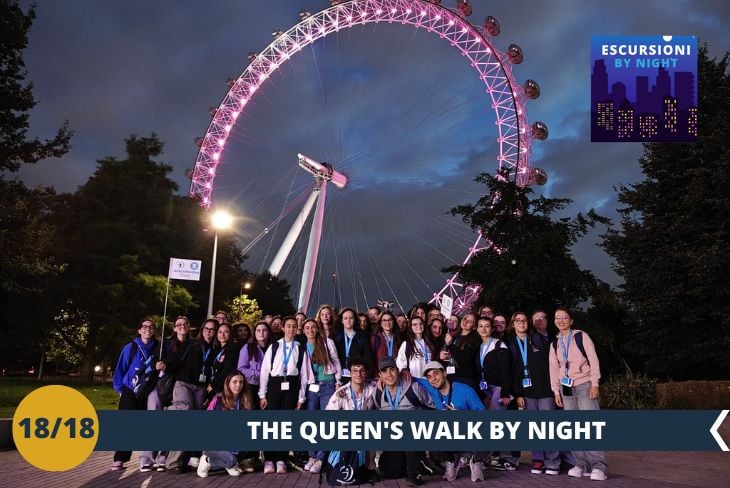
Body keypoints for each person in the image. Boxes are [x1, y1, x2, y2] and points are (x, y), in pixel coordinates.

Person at [549, 308, 607, 481]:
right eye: (557, 318)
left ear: (571, 321)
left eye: (564, 317)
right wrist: (556, 390)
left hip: (584, 384)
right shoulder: (555, 344)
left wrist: (595, 383)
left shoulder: (582, 337)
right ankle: (582, 464)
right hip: (566, 389)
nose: (561, 320)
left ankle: (599, 466)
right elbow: (553, 369)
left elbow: (594, 360)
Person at [506, 312, 559, 476]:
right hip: (527, 391)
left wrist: (554, 387)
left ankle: (552, 461)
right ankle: (537, 459)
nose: (521, 323)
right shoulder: (509, 343)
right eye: (518, 320)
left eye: (524, 320)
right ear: (513, 324)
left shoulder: (537, 339)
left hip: (544, 388)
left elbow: (550, 363)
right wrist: (518, 394)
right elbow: (512, 371)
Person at [414, 361, 486, 482]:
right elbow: (412, 379)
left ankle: (476, 461)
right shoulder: (431, 389)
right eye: (429, 376)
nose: (433, 379)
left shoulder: (465, 390)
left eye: (436, 373)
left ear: (445, 373)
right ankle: (452, 460)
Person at [259, 316, 311, 474]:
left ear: (297, 329)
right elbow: (264, 371)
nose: (291, 329)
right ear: (283, 328)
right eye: (288, 326)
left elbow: (304, 375)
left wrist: (301, 398)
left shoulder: (300, 348)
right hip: (275, 384)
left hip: (292, 386)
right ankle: (269, 459)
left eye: (294, 326)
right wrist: (262, 394)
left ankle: (281, 458)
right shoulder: (274, 347)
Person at [374, 357, 434, 487]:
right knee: (389, 470)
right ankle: (419, 462)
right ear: (380, 375)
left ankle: (415, 474)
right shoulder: (378, 394)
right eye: (384, 371)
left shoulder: (414, 388)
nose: (389, 374)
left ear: (398, 371)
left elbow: (432, 407)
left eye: (392, 369)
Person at [111, 318, 160, 471]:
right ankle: (120, 458)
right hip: (130, 390)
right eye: (144, 327)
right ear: (139, 330)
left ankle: (149, 459)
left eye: (151, 327)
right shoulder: (130, 347)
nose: (148, 329)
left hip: (148, 391)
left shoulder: (158, 348)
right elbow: (121, 369)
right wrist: (120, 389)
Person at [326, 357, 379, 482]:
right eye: (355, 370)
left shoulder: (372, 389)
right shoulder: (341, 393)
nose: (358, 374)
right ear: (350, 373)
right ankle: (339, 466)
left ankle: (369, 468)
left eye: (362, 370)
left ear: (366, 373)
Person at [476, 316, 518, 471]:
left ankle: (508, 457)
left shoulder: (499, 345)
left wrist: (506, 394)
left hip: (499, 389)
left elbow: (507, 371)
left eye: (487, 326)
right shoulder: (480, 347)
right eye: (481, 326)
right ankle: (492, 456)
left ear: (492, 328)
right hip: (487, 389)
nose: (484, 329)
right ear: (477, 328)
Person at [302, 318, 342, 473]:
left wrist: (338, 380)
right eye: (307, 327)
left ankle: (320, 458)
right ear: (303, 330)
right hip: (311, 387)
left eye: (313, 327)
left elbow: (336, 361)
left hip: (328, 385)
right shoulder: (302, 346)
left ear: (317, 329)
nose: (310, 330)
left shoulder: (327, 342)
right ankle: (311, 456)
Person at [197, 372, 251, 478]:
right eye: (234, 382)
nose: (238, 385)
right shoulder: (217, 400)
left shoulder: (244, 402)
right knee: (231, 460)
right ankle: (208, 460)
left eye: (241, 382)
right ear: (228, 384)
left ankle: (215, 462)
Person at [333, 307, 374, 381]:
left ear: (355, 320)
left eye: (351, 318)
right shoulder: (336, 337)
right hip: (340, 375)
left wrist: (368, 377)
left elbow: (368, 358)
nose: (348, 321)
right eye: (345, 318)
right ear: (342, 321)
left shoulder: (362, 336)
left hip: (358, 375)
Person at [443, 311, 481, 391]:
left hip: (464, 380)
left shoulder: (474, 339)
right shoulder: (455, 336)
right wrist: (443, 356)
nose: (466, 321)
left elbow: (465, 359)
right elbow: (452, 355)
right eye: (465, 318)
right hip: (451, 377)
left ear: (474, 326)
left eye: (470, 321)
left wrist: (450, 345)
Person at [209, 322, 238, 396]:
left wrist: (213, 385)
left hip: (224, 389)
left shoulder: (232, 349)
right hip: (216, 387)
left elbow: (227, 370)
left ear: (230, 334)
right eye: (220, 332)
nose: (222, 335)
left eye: (226, 332)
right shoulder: (218, 349)